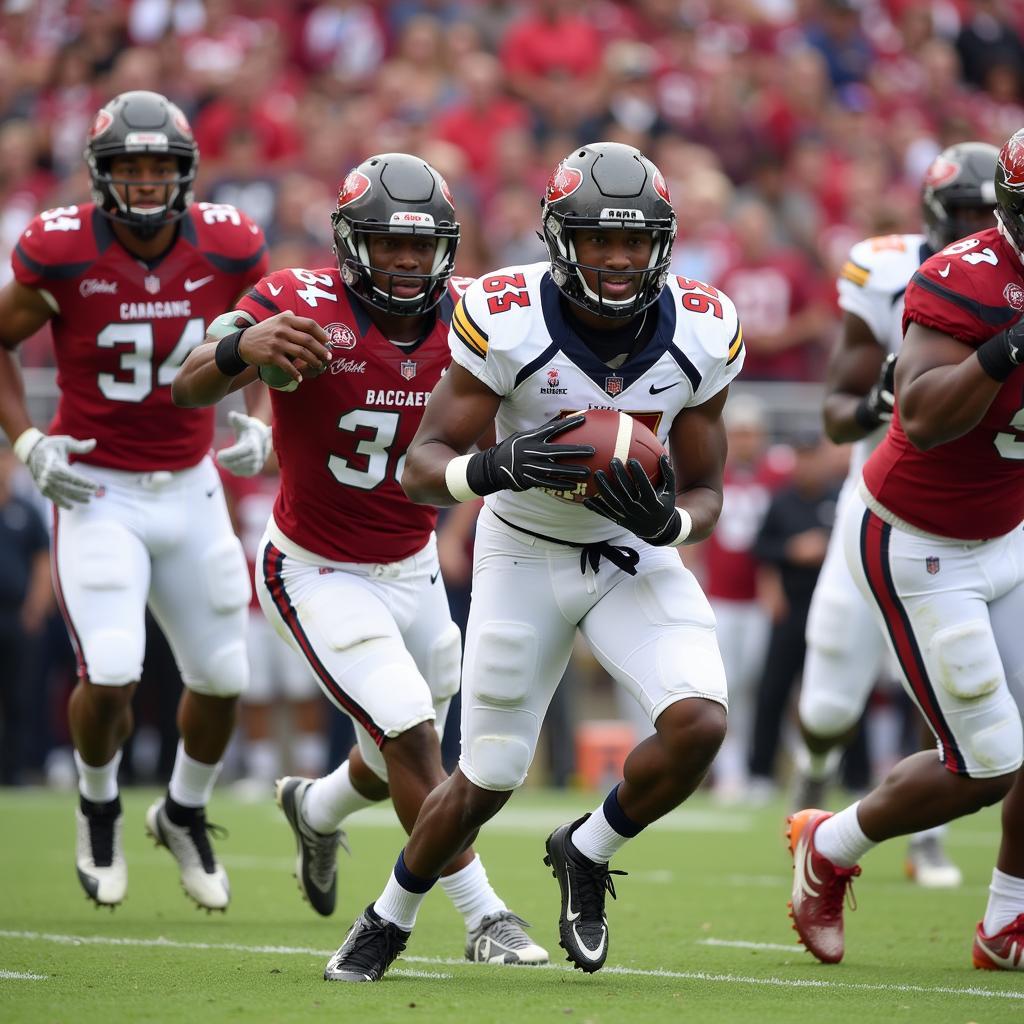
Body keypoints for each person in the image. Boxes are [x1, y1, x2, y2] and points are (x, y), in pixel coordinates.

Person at [321, 140, 744, 983]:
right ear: (561, 240)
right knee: (488, 773)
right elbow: (420, 465)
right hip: (521, 545)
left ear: (662, 240)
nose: (618, 259)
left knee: (700, 723)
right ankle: (388, 917)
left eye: (634, 240)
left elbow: (706, 492)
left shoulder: (703, 325)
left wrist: (669, 525)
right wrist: (491, 467)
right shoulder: (507, 313)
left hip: (628, 551)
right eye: (598, 240)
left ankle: (587, 849)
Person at [171, 152, 548, 968]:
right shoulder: (298, 301)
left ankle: (317, 808)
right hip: (315, 567)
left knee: (391, 756)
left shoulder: (478, 319)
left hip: (412, 567)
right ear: (351, 243)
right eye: (387, 244)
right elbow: (187, 384)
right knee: (412, 735)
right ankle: (485, 916)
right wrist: (243, 346)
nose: (407, 262)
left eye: (421, 247)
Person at [0, 91, 271, 911]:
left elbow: (277, 329)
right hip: (97, 487)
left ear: (185, 173)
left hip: (190, 485)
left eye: (160, 167)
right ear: (101, 173)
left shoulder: (228, 245)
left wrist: (264, 420)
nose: (147, 181)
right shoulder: (58, 248)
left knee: (225, 677)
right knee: (112, 669)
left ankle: (183, 812)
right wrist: (27, 442)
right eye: (130, 166)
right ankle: (98, 801)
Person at [787, 127, 1024, 970]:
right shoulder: (965, 280)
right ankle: (830, 843)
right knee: (990, 761)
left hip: (1010, 526)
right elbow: (919, 418)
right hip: (921, 538)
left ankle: (1005, 923)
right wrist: (1009, 345)